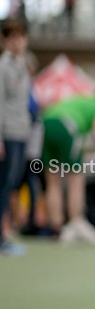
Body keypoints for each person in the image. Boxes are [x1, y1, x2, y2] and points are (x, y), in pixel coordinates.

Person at [40, 91, 95, 245]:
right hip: (67, 125)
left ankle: (56, 227)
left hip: (46, 123)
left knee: (53, 181)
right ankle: (76, 222)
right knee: (76, 178)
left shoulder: (82, 100)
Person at [0, 19, 32, 255]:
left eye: (20, 37)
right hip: (7, 132)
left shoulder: (24, 65)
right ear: (4, 41)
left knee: (11, 184)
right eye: (11, 38)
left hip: (21, 131)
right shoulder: (3, 68)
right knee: (3, 185)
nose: (16, 42)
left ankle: (6, 232)